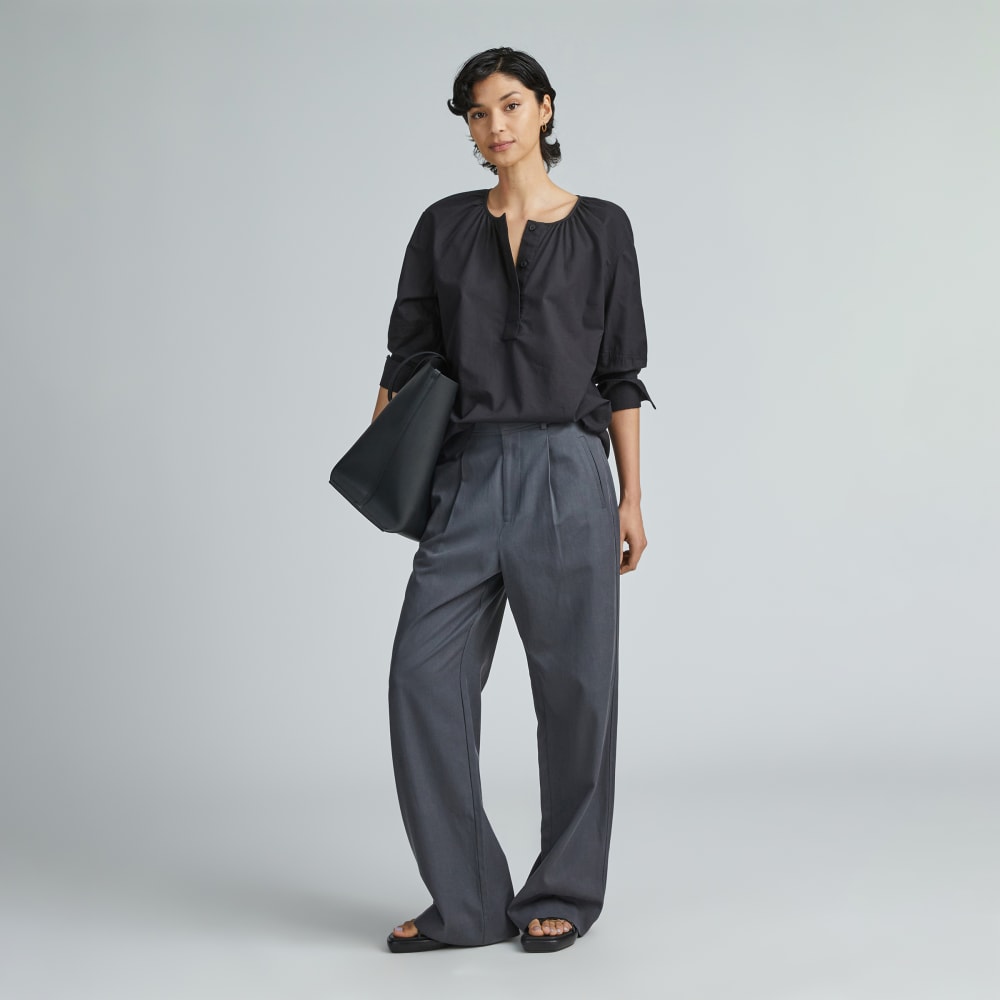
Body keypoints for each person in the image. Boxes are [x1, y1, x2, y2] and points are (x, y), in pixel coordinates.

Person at [371, 46, 654, 954]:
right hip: (467, 471)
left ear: (545, 108)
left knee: (577, 693)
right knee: (422, 676)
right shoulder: (444, 225)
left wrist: (632, 497)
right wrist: (388, 457)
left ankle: (563, 888)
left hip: (569, 471)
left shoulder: (603, 227)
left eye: (510, 105)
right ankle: (466, 901)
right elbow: (410, 352)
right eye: (477, 112)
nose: (495, 125)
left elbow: (621, 372)